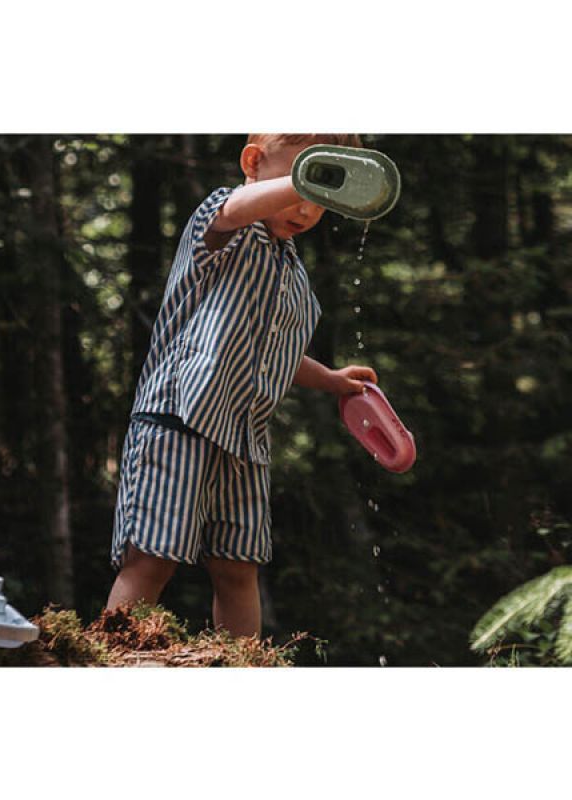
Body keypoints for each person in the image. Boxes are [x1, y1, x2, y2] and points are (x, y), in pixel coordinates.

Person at [106, 134, 378, 638]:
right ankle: (112, 654)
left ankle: (243, 662)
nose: (306, 207)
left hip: (245, 440)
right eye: (301, 182)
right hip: (178, 418)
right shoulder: (224, 224)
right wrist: (303, 182)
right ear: (253, 162)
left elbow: (278, 352)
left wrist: (332, 380)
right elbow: (237, 206)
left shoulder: (294, 275)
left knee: (237, 566)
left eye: (323, 196)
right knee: (152, 556)